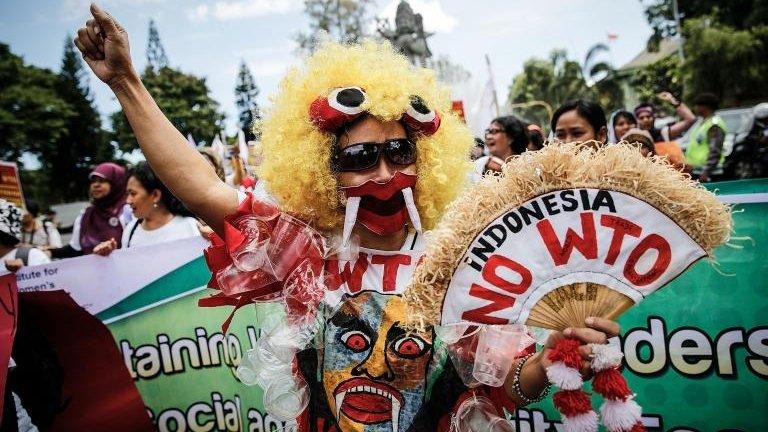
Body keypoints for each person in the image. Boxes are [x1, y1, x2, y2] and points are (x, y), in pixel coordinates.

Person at [74, 6, 620, 430]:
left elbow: (506, 385)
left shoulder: (460, 259)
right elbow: (203, 190)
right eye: (358, 158)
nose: (383, 173)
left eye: (399, 153)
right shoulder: (305, 250)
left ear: (425, 159)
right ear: (322, 170)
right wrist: (126, 82)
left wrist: (551, 360)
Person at [93, 161, 200, 254]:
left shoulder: (190, 227)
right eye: (127, 194)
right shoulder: (130, 230)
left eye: (133, 194)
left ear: (155, 195)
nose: (128, 201)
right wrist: (111, 257)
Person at [47, 162, 131, 258]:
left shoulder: (128, 211)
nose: (95, 185)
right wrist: (50, 252)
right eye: (93, 181)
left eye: (102, 181)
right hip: (94, 272)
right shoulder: (86, 215)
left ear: (116, 183)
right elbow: (75, 249)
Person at [685, 93, 727, 182]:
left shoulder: (714, 125)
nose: (695, 108)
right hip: (698, 171)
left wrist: (706, 172)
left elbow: (715, 151)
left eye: (697, 105)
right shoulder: (702, 122)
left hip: (710, 173)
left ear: (706, 107)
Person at [1, 199, 51, 273]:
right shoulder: (20, 230)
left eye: (25, 211)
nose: (23, 214)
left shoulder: (33, 257)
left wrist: (23, 272)